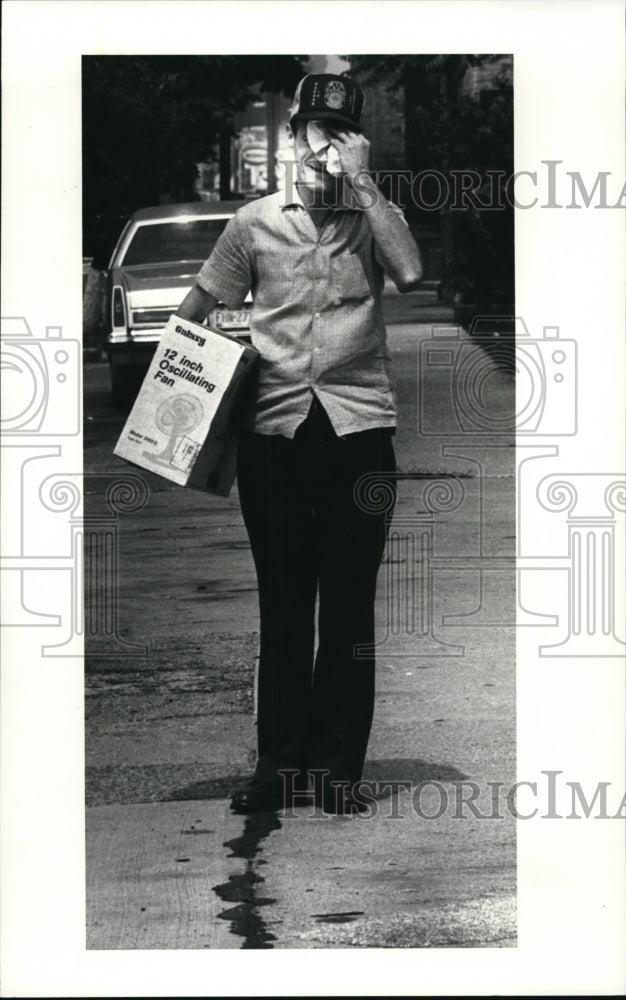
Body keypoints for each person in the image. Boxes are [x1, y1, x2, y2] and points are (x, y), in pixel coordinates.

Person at [177, 73, 423, 814]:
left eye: (339, 133)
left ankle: (337, 770)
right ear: (293, 136)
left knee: (348, 606)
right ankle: (279, 765)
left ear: (356, 141)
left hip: (358, 432)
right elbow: (201, 301)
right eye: (314, 130)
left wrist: (367, 186)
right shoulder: (254, 224)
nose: (325, 146)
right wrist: (176, 383)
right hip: (274, 434)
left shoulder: (371, 219)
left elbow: (410, 271)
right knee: (285, 602)